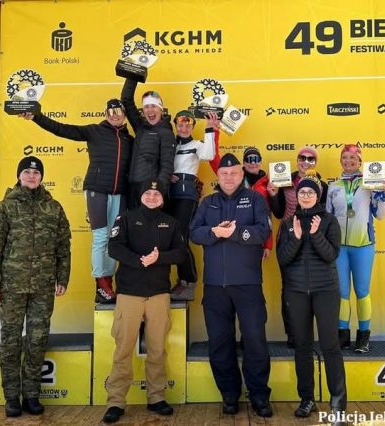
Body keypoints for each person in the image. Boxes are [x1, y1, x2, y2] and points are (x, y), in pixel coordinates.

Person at [0, 156, 71, 418]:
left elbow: (63, 247)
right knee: (10, 341)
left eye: (36, 173)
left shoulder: (53, 208)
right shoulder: (5, 208)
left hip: (43, 287)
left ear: (41, 177)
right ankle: (12, 396)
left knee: (37, 339)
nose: (32, 176)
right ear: (19, 176)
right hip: (11, 287)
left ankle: (31, 394)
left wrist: (62, 278)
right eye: (27, 172)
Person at [20, 99, 132, 304]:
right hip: (97, 190)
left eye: (119, 111)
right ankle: (101, 283)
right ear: (105, 114)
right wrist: (36, 117)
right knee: (100, 238)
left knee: (114, 239)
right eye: (110, 111)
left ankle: (108, 282)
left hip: (119, 193)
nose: (115, 115)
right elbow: (62, 129)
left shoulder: (128, 139)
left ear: (125, 114)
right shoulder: (94, 131)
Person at [190, 153, 273, 418]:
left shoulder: (255, 199)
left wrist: (235, 233)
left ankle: (259, 395)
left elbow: (263, 231)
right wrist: (214, 232)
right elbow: (194, 232)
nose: (229, 177)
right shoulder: (208, 202)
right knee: (219, 342)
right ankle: (229, 394)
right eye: (224, 174)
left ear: (241, 174)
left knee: (255, 340)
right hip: (215, 286)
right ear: (218, 175)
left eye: (234, 173)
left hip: (248, 284)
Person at [102, 179, 186, 424]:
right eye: (148, 193)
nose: (151, 197)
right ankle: (116, 401)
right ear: (141, 196)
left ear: (162, 198)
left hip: (159, 294)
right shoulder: (126, 219)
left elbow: (181, 253)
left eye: (156, 194)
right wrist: (140, 261)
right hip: (129, 294)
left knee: (157, 350)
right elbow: (114, 248)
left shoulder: (171, 222)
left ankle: (156, 397)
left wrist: (159, 258)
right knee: (123, 349)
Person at [276, 171, 347, 425]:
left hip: (325, 291)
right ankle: (306, 399)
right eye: (302, 192)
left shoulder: (329, 221)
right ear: (297, 195)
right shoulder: (287, 223)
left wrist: (315, 234)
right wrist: (296, 238)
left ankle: (338, 405)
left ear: (317, 196)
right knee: (302, 347)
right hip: (296, 292)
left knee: (330, 346)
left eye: (310, 192)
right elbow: (283, 258)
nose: (305, 196)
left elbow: (330, 255)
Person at [326, 144, 385, 353]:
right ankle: (342, 335)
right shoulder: (334, 186)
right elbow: (328, 217)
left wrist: (382, 194)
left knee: (362, 291)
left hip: (363, 245)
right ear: (340, 160)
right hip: (340, 248)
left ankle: (363, 336)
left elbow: (380, 215)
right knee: (342, 292)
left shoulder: (370, 183)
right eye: (345, 157)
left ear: (360, 161)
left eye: (353, 158)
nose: (348, 161)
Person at [268, 145, 328, 349]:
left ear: (316, 162)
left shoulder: (323, 185)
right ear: (297, 160)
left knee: (312, 286)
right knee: (289, 288)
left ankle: (308, 334)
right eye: (302, 157)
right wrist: (274, 195)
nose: (306, 162)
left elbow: (324, 215)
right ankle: (293, 334)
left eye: (311, 159)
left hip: (312, 239)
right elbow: (278, 213)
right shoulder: (284, 180)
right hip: (287, 236)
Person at [168, 110, 217, 301]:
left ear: (192, 126)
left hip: (186, 196)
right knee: (166, 238)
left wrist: (210, 130)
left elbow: (209, 154)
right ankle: (170, 281)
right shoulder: (168, 144)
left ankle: (188, 281)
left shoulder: (197, 144)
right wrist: (165, 174)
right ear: (175, 125)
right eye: (180, 125)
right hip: (165, 194)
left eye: (188, 125)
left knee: (180, 238)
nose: (184, 128)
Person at [121, 78, 176, 209]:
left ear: (161, 109)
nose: (150, 110)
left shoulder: (166, 133)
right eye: (146, 107)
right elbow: (126, 100)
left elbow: (167, 166)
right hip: (132, 189)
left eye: (154, 106)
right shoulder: (140, 127)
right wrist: (133, 75)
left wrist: (158, 192)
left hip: (150, 191)